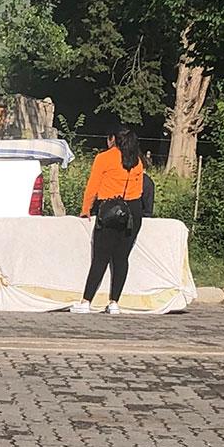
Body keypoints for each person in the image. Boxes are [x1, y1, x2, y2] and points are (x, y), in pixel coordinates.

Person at [73, 127, 147, 314]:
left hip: (110, 210)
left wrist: (85, 209)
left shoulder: (104, 158)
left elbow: (93, 186)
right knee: (121, 258)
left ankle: (86, 300)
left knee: (100, 258)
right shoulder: (137, 161)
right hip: (133, 211)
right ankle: (114, 302)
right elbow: (140, 190)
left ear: (112, 139)